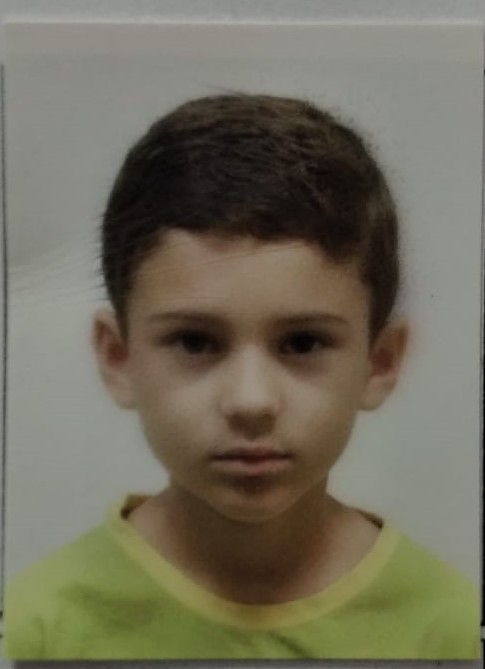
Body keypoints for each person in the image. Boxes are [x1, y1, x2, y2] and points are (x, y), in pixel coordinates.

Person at [3, 93, 480, 660]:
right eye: (195, 341)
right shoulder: (36, 632)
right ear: (118, 357)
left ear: (380, 362)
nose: (251, 401)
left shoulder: (451, 633)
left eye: (302, 343)